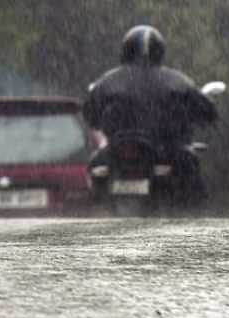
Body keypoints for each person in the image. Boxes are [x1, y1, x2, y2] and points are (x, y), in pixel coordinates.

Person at [83, 25, 217, 206]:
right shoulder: (176, 80)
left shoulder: (108, 81)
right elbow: (207, 111)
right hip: (165, 148)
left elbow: (90, 114)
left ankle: (94, 204)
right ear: (160, 51)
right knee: (191, 167)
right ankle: (193, 214)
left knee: (95, 165)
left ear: (126, 50)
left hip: (119, 150)